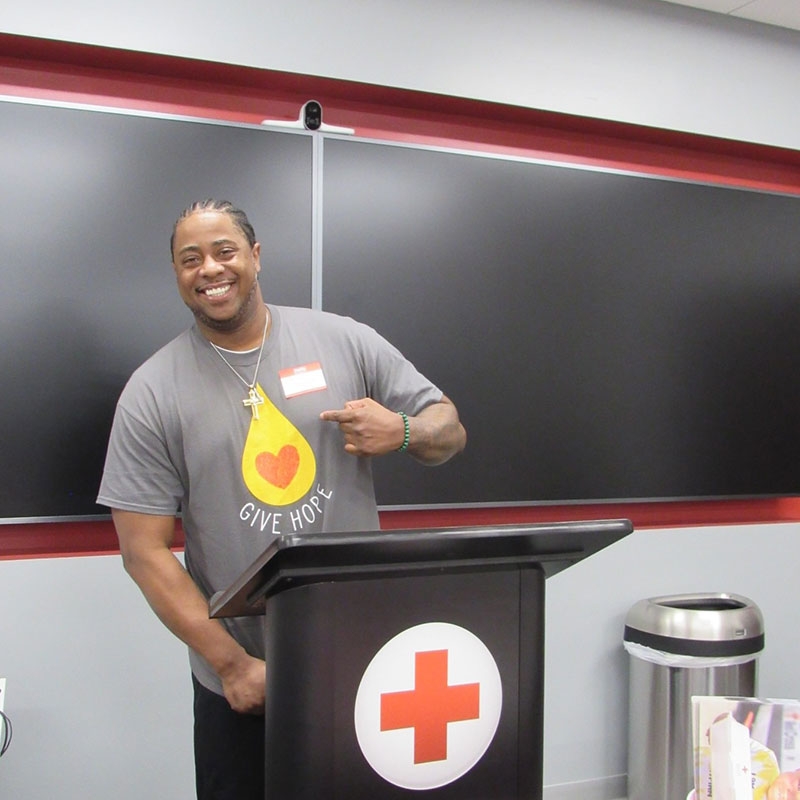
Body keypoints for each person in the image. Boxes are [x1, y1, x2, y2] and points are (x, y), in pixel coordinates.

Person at [96, 199, 467, 800]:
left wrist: (403, 432)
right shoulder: (152, 392)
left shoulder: (343, 340)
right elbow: (144, 553)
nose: (210, 269)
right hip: (245, 679)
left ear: (255, 257)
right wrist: (232, 666)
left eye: (224, 251)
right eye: (190, 260)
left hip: (363, 660)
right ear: (176, 274)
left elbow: (448, 429)